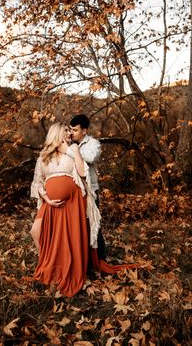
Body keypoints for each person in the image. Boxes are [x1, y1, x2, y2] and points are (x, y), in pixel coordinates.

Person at [30, 122, 138, 297]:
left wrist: (73, 151)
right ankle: (47, 263)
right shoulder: (43, 158)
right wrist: (48, 199)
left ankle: (62, 266)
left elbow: (81, 173)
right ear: (56, 134)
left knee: (67, 237)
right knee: (36, 231)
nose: (69, 134)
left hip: (73, 201)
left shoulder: (73, 151)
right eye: (65, 131)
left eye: (70, 130)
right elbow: (38, 182)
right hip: (50, 203)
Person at [69, 114, 107, 260]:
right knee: (78, 227)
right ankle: (84, 261)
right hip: (73, 191)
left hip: (90, 190)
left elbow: (91, 158)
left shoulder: (94, 144)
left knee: (94, 224)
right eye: (70, 129)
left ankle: (101, 260)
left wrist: (74, 151)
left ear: (84, 131)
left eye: (75, 130)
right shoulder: (70, 143)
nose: (71, 132)